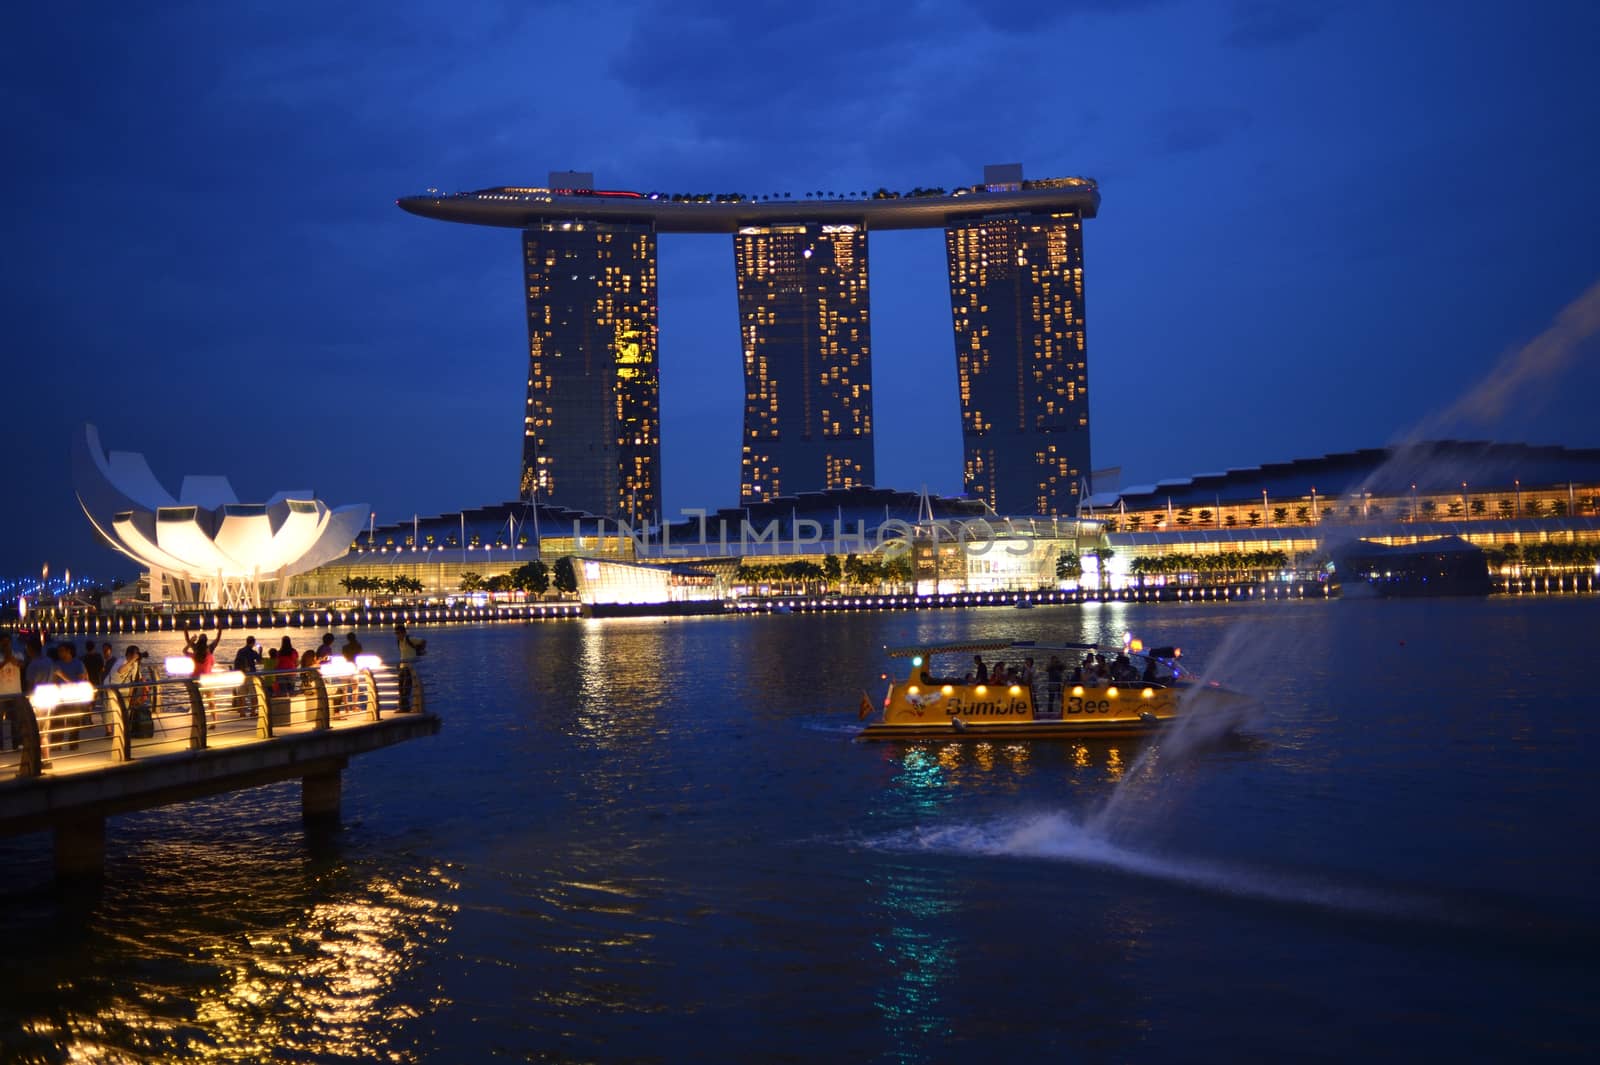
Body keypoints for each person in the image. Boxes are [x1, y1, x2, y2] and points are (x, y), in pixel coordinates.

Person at [395, 624, 425, 711]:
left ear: (404, 633)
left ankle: (404, 707)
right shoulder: (399, 642)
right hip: (403, 666)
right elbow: (403, 654)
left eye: (399, 633)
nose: (397, 635)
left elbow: (423, 641)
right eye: (396, 633)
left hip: (410, 667)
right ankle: (403, 706)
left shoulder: (409, 639)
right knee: (401, 687)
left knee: (406, 687)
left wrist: (419, 650)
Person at [0, 639, 23, 752]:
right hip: (1, 694)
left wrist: (11, 658)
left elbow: (22, 665)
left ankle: (17, 743)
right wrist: (5, 660)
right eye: (3, 643)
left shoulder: (18, 654)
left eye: (7, 643)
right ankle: (1, 746)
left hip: (16, 692)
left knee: (17, 719)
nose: (5, 645)